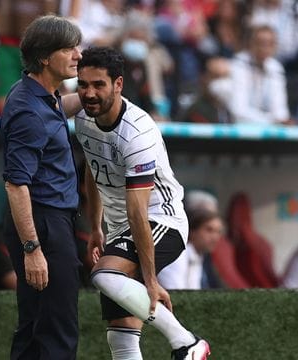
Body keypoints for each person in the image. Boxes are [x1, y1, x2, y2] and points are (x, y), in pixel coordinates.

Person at [75, 46, 211, 360]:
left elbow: (138, 210)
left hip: (162, 222)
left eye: (99, 85)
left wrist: (150, 281)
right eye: (83, 85)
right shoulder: (83, 120)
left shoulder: (137, 132)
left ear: (118, 84)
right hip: (122, 230)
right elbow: (94, 172)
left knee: (105, 275)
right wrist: (97, 227)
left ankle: (187, 342)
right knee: (120, 335)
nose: (90, 93)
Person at [0, 15, 84, 360]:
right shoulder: (29, 111)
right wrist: (33, 248)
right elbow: (16, 184)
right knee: (57, 329)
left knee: (36, 327)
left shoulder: (37, 94)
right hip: (43, 224)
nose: (78, 54)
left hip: (46, 220)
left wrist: (91, 95)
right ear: (46, 57)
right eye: (69, 48)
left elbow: (56, 113)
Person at [209, 25, 293, 125]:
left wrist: (281, 121)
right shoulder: (240, 64)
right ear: (252, 44)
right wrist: (272, 121)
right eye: (261, 43)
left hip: (266, 126)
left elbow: (280, 110)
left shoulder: (276, 68)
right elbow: (239, 110)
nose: (265, 48)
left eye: (270, 44)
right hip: (239, 126)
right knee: (222, 86)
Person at [158, 208, 224, 289]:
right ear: (192, 231)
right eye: (209, 230)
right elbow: (176, 293)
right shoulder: (177, 255)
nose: (215, 237)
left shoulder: (200, 256)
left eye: (218, 232)